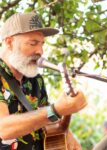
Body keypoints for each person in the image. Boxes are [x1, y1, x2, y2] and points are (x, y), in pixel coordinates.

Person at [0, 12, 87, 150]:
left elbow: (47, 122)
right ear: (9, 42)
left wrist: (64, 131)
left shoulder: (36, 80)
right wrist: (56, 110)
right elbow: (3, 129)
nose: (40, 51)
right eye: (33, 43)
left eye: (42, 44)